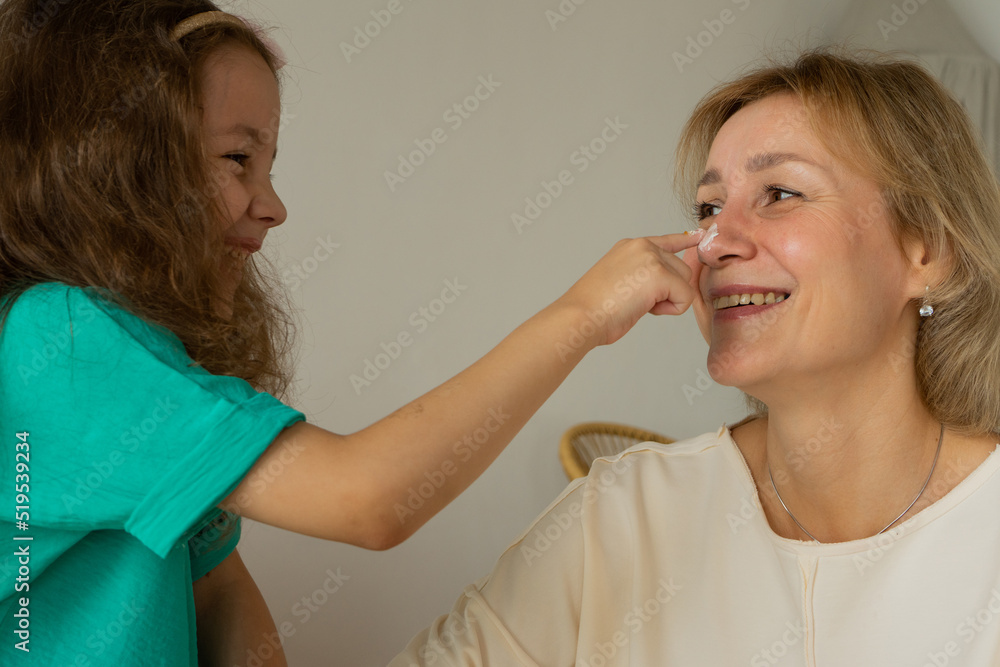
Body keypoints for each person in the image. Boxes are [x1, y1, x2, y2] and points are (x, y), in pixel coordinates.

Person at [0, 1, 702, 665]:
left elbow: (216, 588)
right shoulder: (57, 338)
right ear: (113, 161)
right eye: (238, 159)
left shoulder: (121, 362)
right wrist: (582, 314)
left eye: (269, 165)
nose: (273, 206)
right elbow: (369, 498)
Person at [389, 49, 1000, 666]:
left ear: (928, 252)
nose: (715, 243)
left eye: (780, 193)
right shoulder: (620, 515)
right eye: (708, 208)